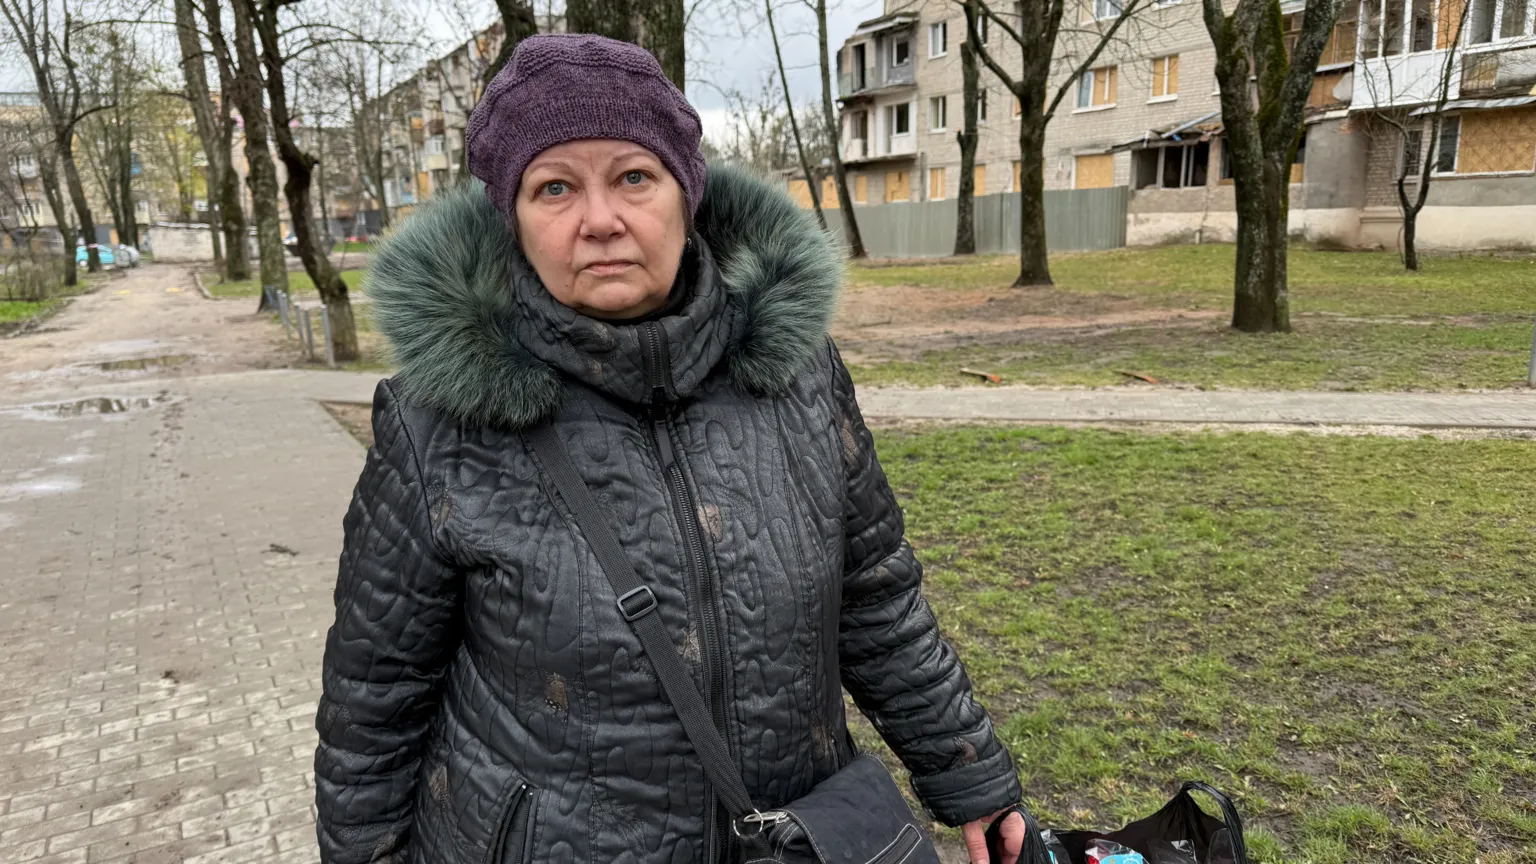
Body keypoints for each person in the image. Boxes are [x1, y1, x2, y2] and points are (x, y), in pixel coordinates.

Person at [313, 33, 1027, 864]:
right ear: (513, 220)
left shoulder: (797, 375)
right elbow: (375, 696)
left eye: (633, 177)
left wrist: (967, 774)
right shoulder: (435, 422)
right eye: (553, 188)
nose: (600, 220)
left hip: (794, 839)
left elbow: (875, 596)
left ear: (686, 197)